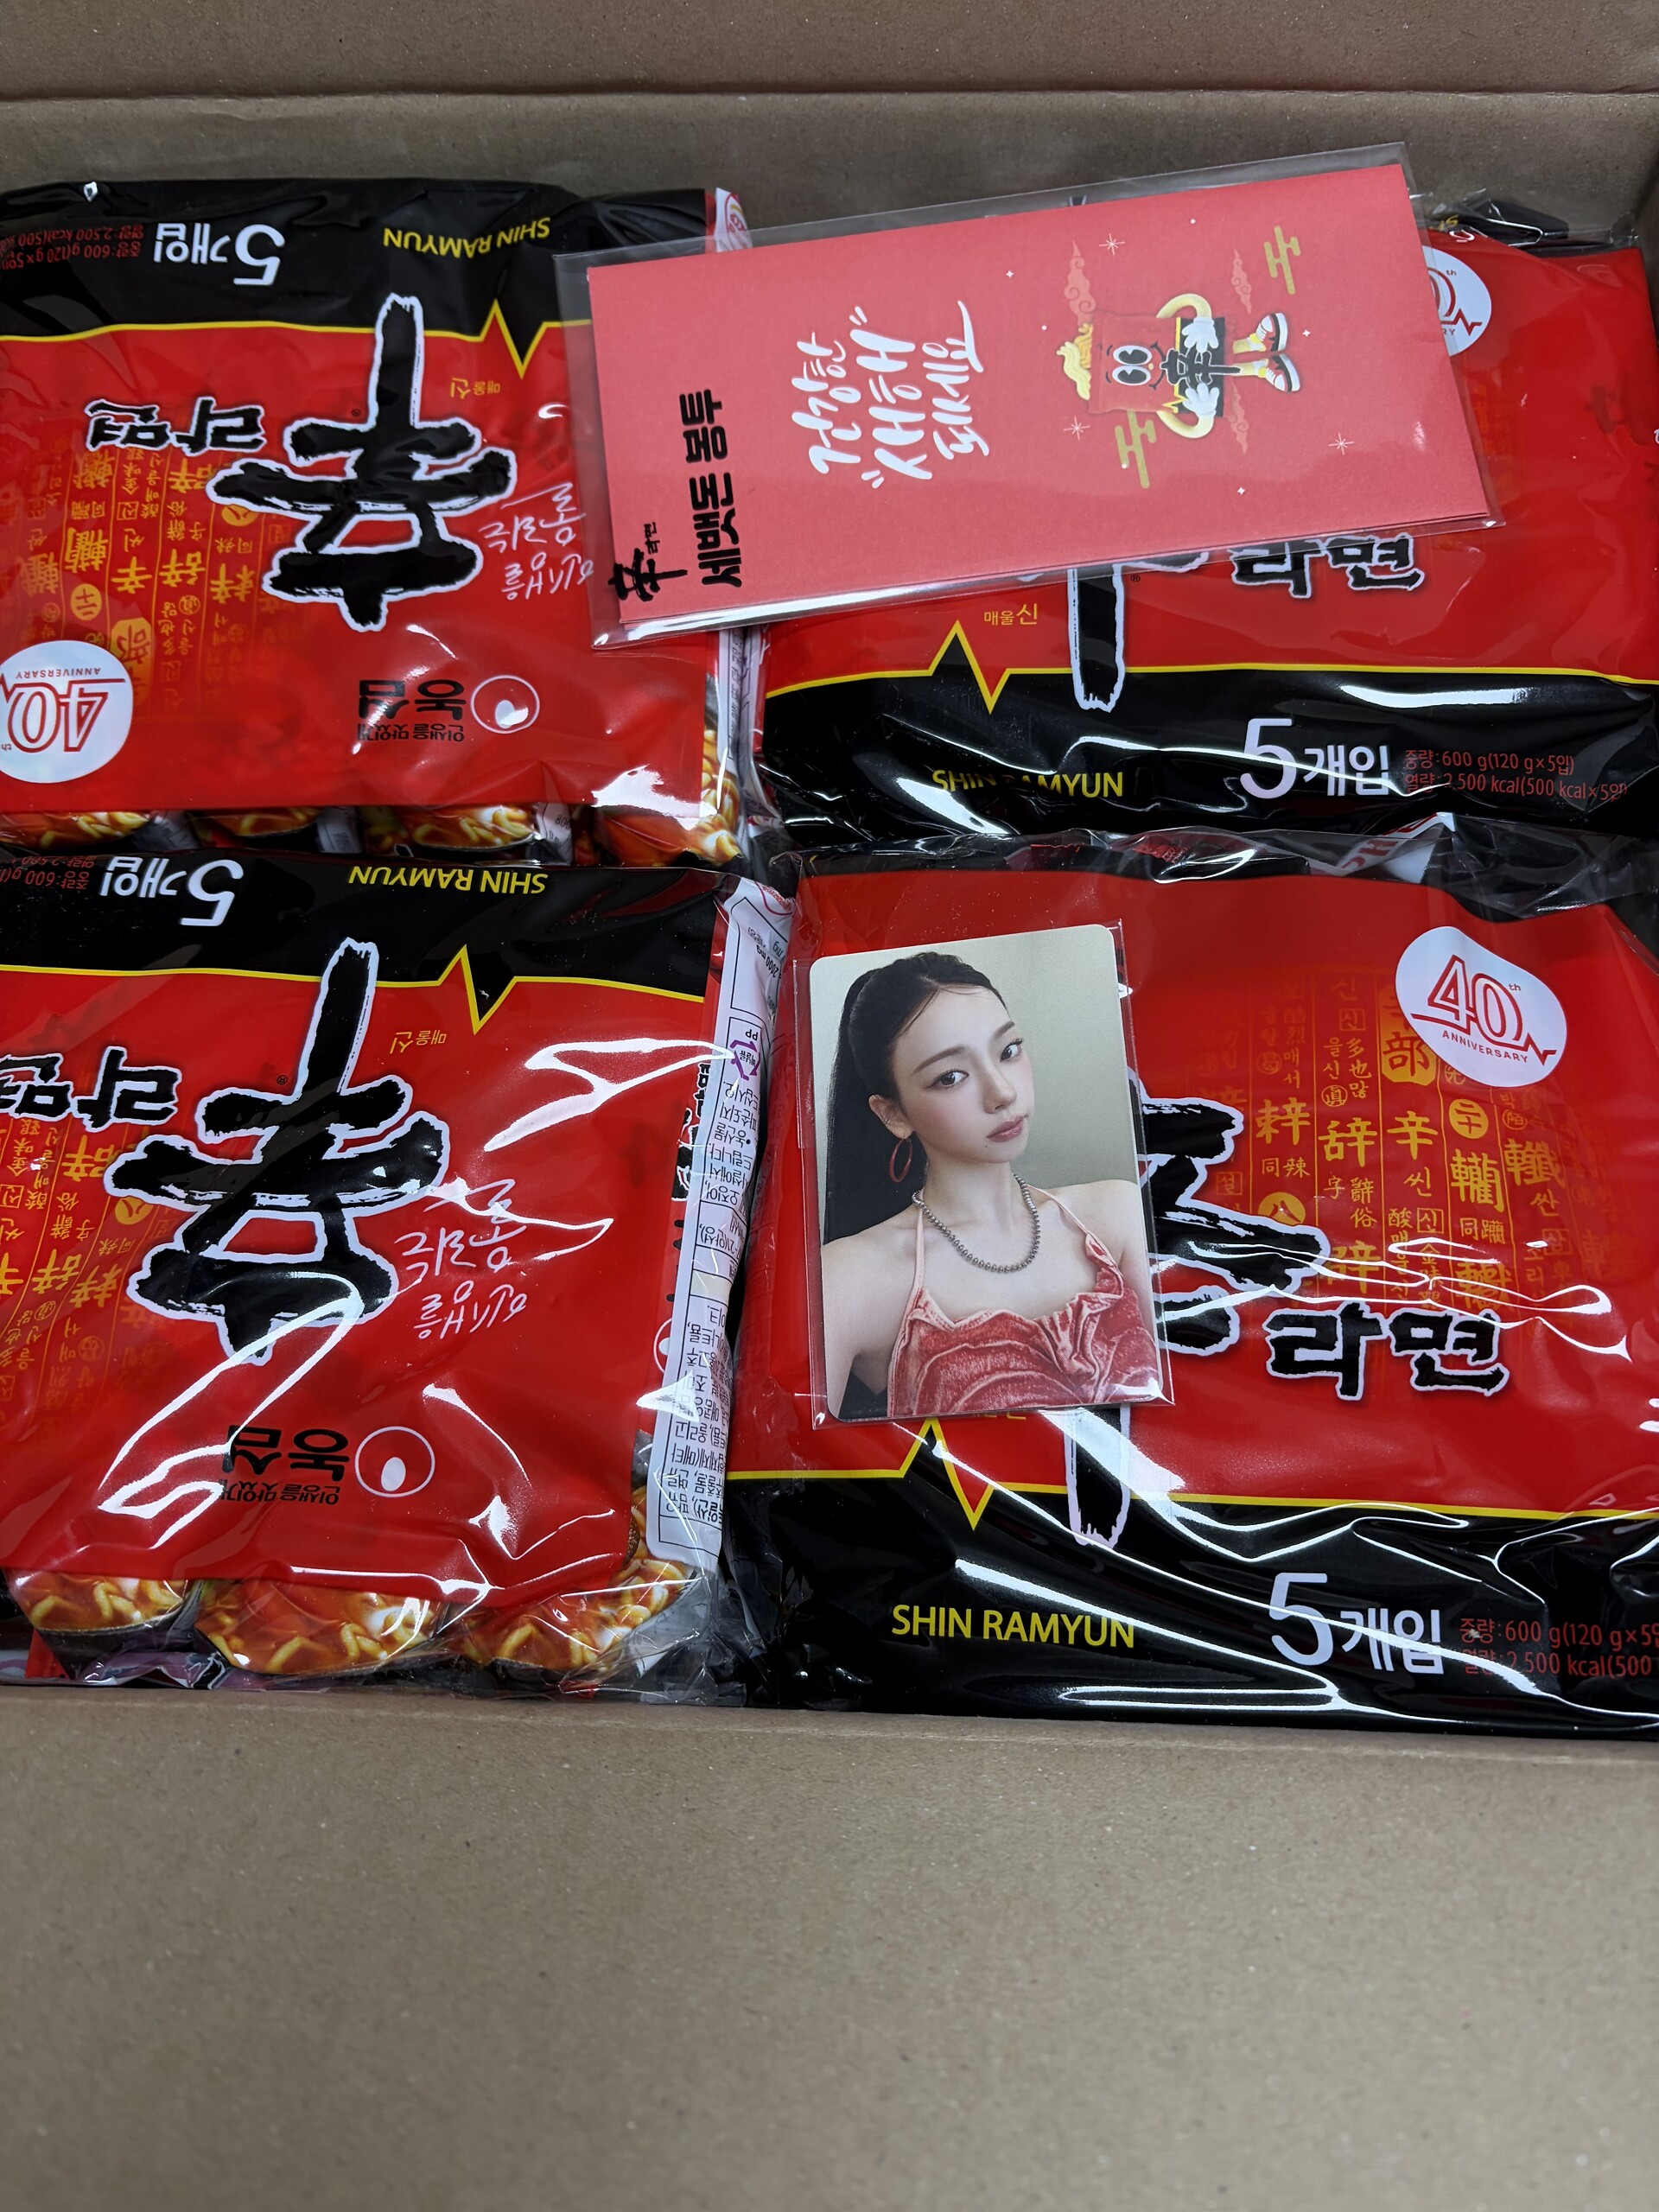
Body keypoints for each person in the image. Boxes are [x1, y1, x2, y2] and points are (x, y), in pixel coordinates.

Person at [819, 950, 1161, 1420]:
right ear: (893, 1114)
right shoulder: (850, 1278)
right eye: (950, 1077)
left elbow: (1193, 1398)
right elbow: (793, 1454)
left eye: (1008, 1051)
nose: (1002, 1092)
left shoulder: (1116, 1214)